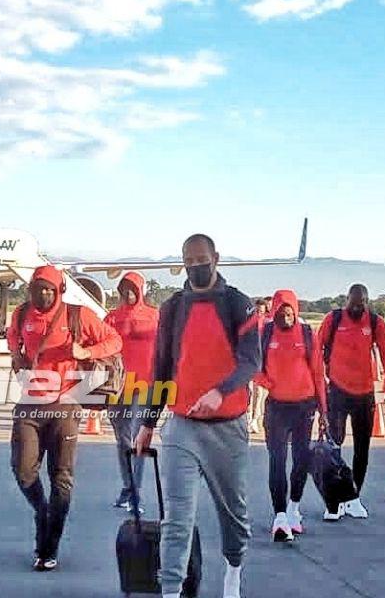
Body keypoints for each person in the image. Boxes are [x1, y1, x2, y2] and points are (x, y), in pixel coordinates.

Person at [135, 234, 260, 598]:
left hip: (228, 429)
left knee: (233, 515)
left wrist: (221, 392)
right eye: (188, 262)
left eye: (201, 260)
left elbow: (251, 361)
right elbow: (161, 367)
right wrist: (146, 423)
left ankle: (233, 573)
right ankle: (171, 590)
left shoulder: (238, 305)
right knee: (177, 517)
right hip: (182, 428)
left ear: (216, 259)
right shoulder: (173, 308)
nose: (195, 267)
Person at [7, 264, 122, 572]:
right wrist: (16, 356)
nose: (43, 294)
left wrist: (85, 353)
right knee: (23, 471)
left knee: (61, 477)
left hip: (66, 405)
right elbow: (13, 337)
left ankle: (48, 548)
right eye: (37, 288)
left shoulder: (78, 316)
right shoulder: (21, 314)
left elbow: (114, 341)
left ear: (59, 290)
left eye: (49, 289)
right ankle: (41, 511)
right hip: (30, 403)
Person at [319, 284, 385, 521]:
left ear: (367, 302)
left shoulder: (375, 323)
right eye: (353, 303)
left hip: (364, 394)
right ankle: (334, 501)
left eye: (362, 303)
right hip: (337, 391)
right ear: (346, 300)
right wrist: (317, 384)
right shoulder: (333, 319)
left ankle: (354, 498)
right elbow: (316, 348)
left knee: (362, 449)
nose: (357, 307)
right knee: (333, 447)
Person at [254, 289, 327, 542]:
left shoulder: (307, 335)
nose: (285, 317)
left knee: (301, 459)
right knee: (277, 461)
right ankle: (280, 516)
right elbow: (252, 365)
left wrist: (324, 411)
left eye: (290, 313)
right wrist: (267, 382)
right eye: (281, 313)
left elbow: (318, 372)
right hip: (277, 408)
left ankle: (294, 508)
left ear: (295, 312)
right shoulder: (265, 334)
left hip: (305, 407)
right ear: (273, 312)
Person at [103, 271, 159, 512]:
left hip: (144, 385)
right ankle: (128, 486)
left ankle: (136, 492)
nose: (128, 293)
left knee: (137, 437)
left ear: (141, 291)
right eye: (124, 288)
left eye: (133, 289)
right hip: (117, 387)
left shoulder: (155, 317)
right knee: (122, 439)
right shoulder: (111, 318)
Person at [247, 297, 272, 434]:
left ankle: (254, 419)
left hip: (260, 361)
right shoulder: (248, 322)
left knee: (258, 392)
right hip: (247, 359)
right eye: (257, 311)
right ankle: (248, 415)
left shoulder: (268, 323)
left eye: (261, 311)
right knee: (248, 391)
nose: (259, 313)